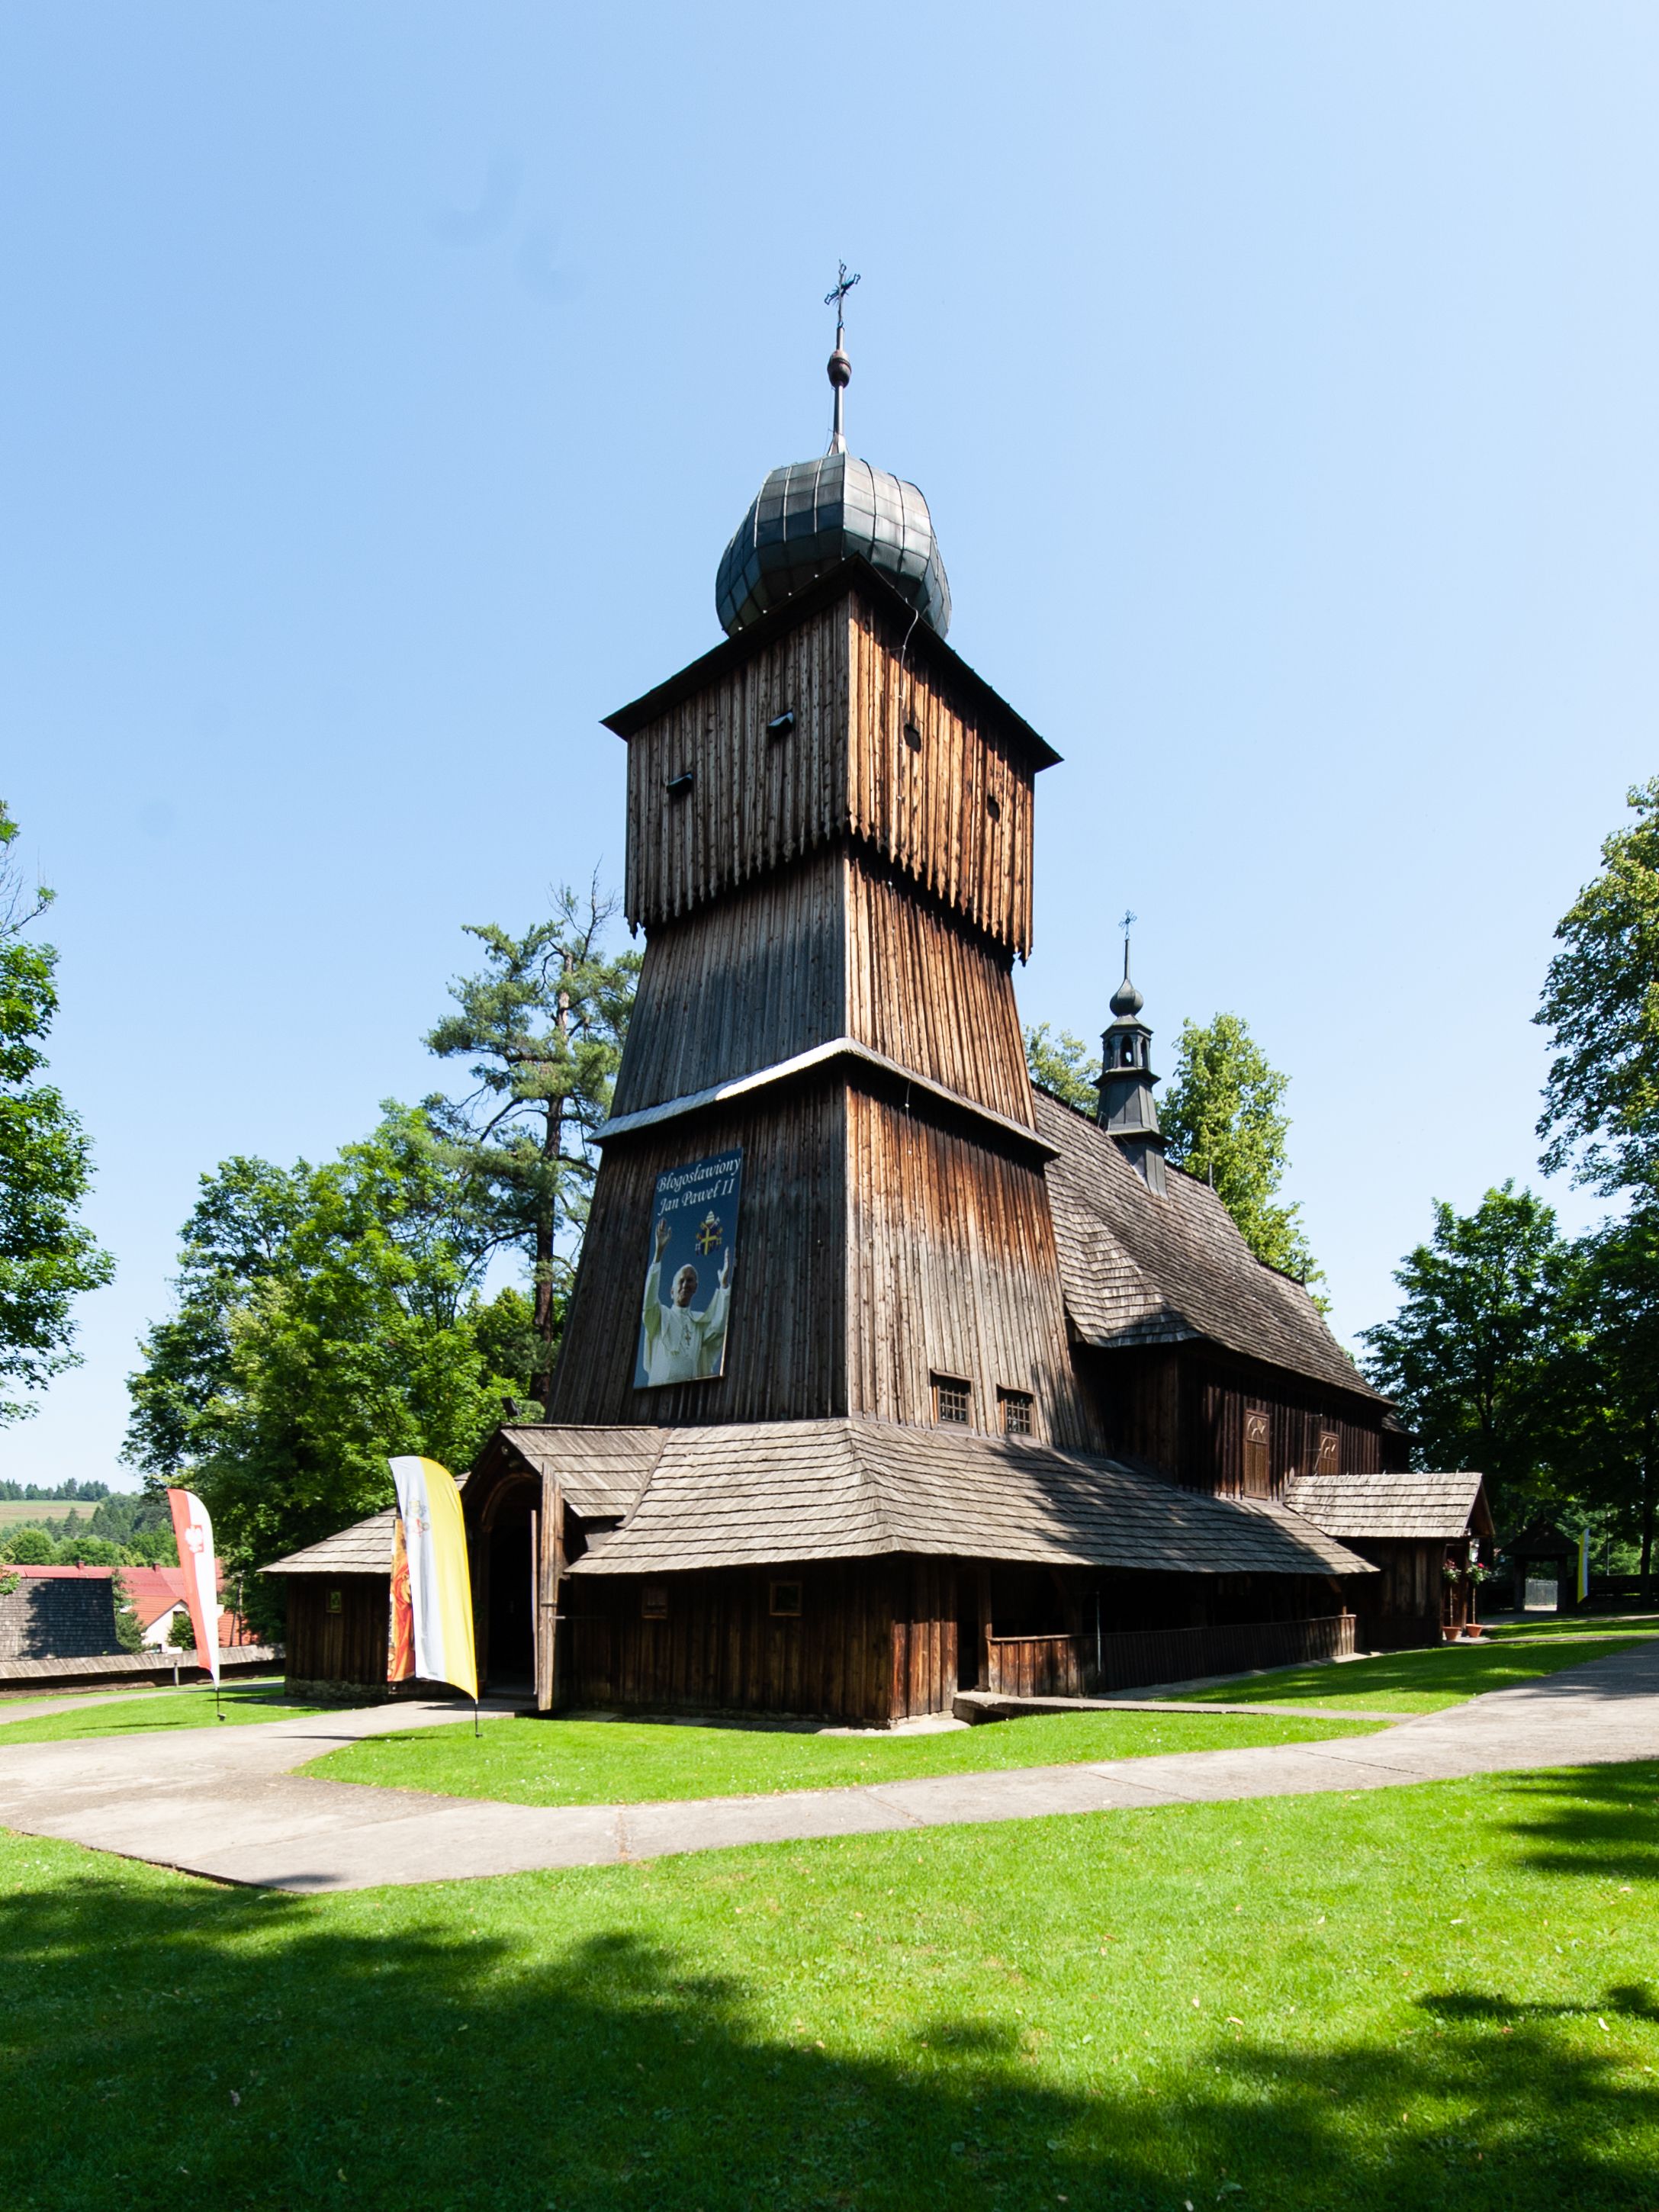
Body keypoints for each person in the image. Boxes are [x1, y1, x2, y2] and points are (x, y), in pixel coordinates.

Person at [638, 1214, 732, 1384]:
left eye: (690, 1281)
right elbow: (649, 1302)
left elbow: (718, 1329)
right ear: (672, 1291)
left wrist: (724, 1285)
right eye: (681, 1281)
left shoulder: (698, 1322)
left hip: (688, 1393)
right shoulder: (659, 1316)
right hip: (659, 1387)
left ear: (695, 1287)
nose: (685, 1285)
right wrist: (658, 1255)